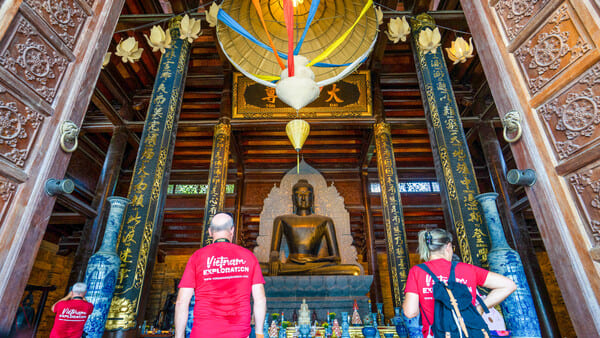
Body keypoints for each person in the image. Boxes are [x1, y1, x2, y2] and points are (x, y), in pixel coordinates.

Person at [402, 229, 516, 338]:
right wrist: (480, 308)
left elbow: (410, 312)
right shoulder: (468, 269)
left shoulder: (417, 271)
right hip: (470, 332)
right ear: (448, 246)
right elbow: (509, 285)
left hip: (436, 334)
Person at [175, 213, 267, 338]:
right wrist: (259, 333)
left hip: (203, 332)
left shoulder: (197, 257)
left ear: (210, 232)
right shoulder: (248, 257)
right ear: (232, 230)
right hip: (238, 333)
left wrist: (178, 336)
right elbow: (260, 299)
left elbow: (181, 302)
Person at [267, 179, 361, 276]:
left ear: (313, 198)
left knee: (354, 271)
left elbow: (336, 257)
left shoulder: (325, 221)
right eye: (299, 195)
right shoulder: (281, 220)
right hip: (291, 266)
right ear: (293, 198)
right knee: (262, 269)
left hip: (316, 265)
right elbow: (274, 251)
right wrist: (274, 259)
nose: (303, 198)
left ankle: (306, 270)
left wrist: (314, 261)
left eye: (307, 194)